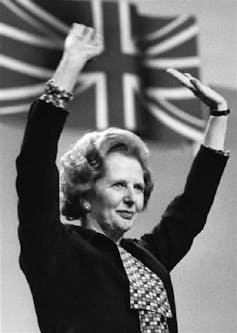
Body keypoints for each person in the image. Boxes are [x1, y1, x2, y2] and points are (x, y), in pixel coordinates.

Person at [16, 23, 230, 333]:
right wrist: (71, 64)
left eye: (139, 187)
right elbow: (35, 165)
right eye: (119, 184)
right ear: (86, 194)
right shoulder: (55, 249)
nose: (132, 197)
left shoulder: (147, 255)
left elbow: (191, 210)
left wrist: (218, 116)